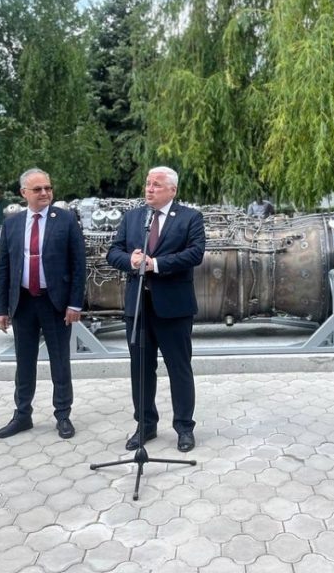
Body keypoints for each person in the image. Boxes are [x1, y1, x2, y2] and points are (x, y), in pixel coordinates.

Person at [107, 167, 206, 453]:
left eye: (157, 185)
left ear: (172, 190)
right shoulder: (134, 217)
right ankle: (146, 425)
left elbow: (195, 254)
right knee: (140, 368)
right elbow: (113, 252)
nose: (149, 189)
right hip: (138, 306)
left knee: (179, 368)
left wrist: (155, 264)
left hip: (174, 308)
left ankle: (184, 427)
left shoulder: (190, 218)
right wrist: (130, 259)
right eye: (148, 184)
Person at [0, 168, 86, 440]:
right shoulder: (12, 224)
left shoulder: (66, 220)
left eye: (48, 188)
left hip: (55, 303)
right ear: (24, 194)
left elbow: (79, 265)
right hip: (23, 303)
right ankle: (22, 415)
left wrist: (75, 304)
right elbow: (3, 267)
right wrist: (1, 308)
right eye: (38, 189)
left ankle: (63, 416)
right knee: (24, 363)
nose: (45, 193)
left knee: (60, 361)